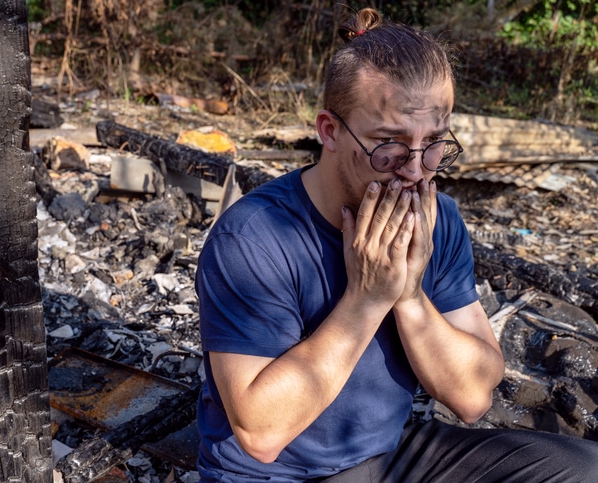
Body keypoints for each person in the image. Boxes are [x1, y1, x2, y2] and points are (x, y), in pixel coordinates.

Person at [195, 7, 598, 482]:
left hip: (390, 455)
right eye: (389, 143)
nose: (415, 170)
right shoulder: (254, 238)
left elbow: (473, 396)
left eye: (434, 143)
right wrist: (367, 299)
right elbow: (261, 434)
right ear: (329, 131)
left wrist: (408, 295)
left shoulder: (437, 218)